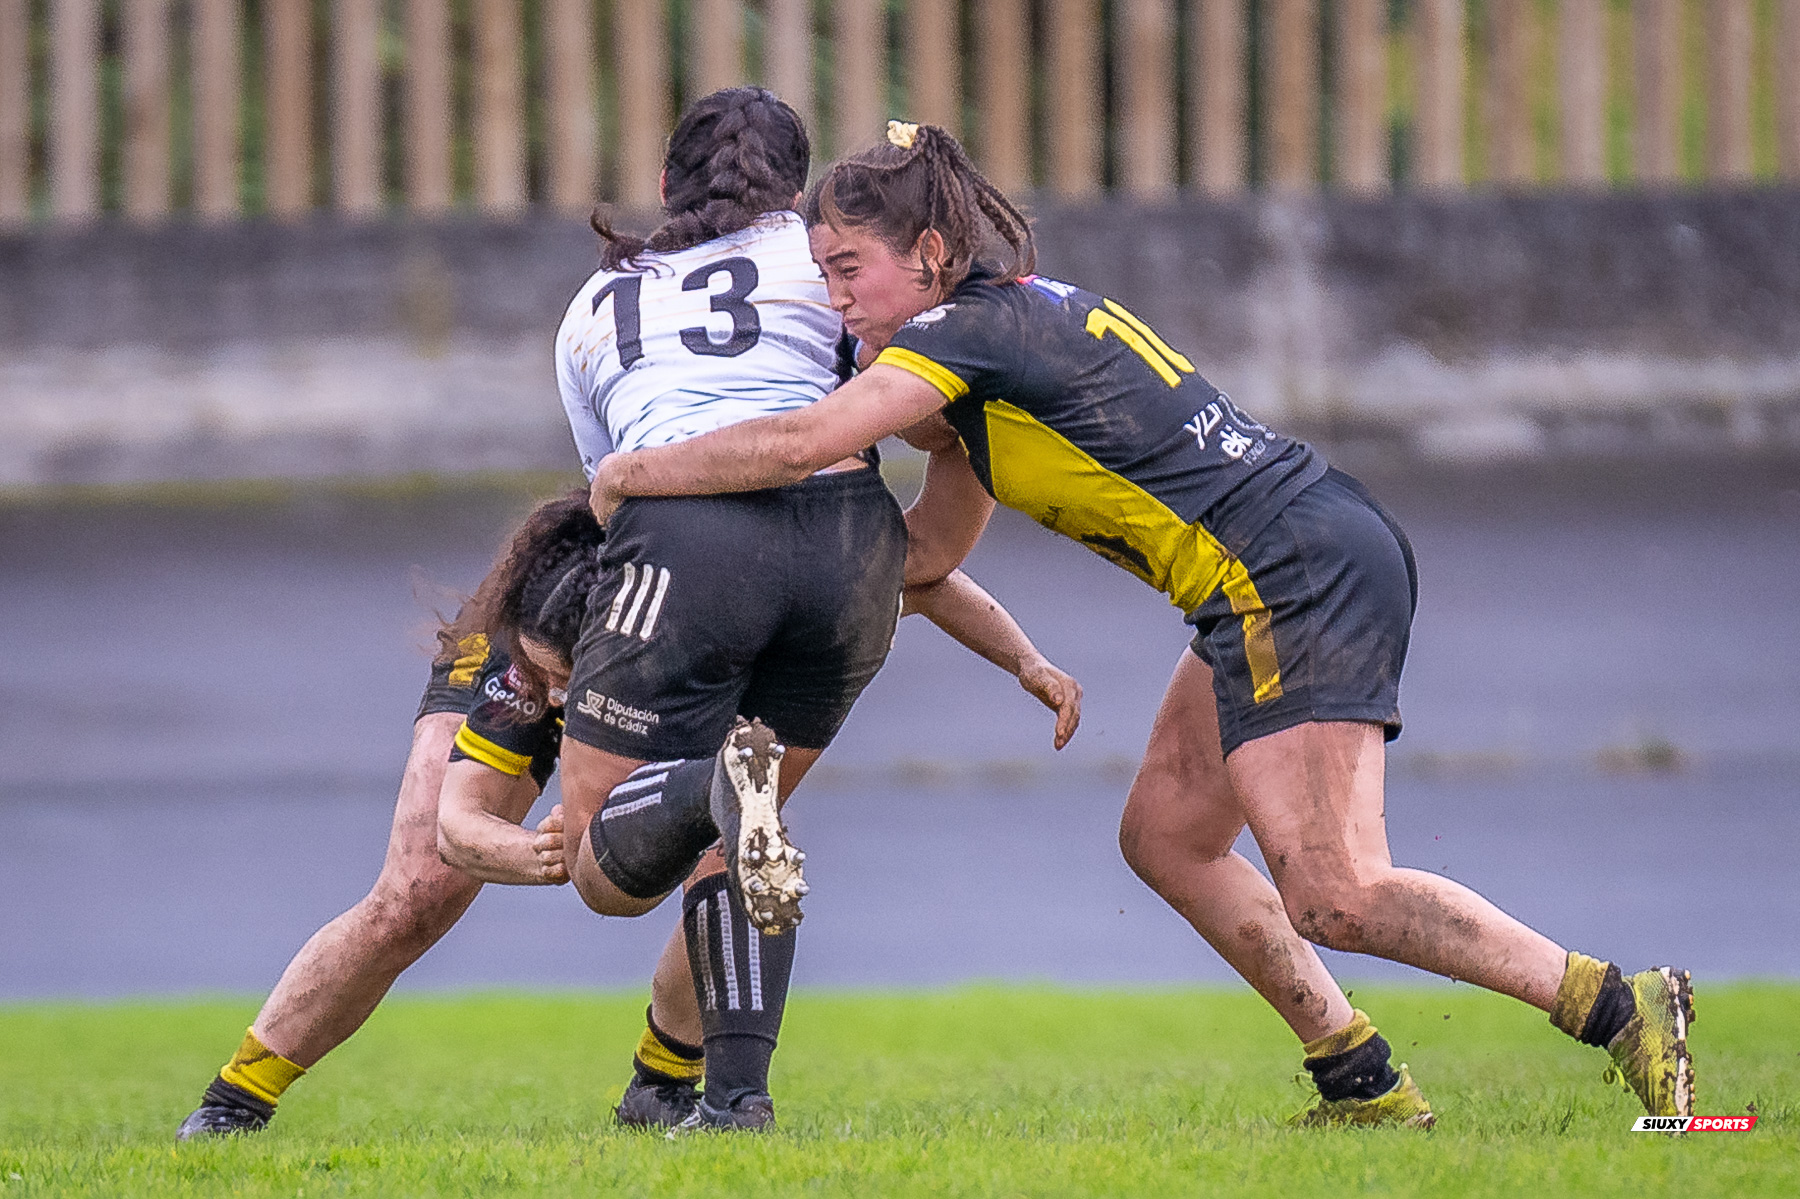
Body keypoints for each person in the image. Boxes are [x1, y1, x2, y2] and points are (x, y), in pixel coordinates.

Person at [585, 120, 1697, 1125]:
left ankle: (1616, 1003)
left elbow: (802, 439)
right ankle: (1359, 1077)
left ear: (927, 252)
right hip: (1286, 556)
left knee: (1336, 889)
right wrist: (974, 635)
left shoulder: (967, 335)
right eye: (822, 271)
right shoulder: (991, 344)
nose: (830, 296)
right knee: (1167, 837)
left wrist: (637, 473)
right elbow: (922, 552)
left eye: (846, 269)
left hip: (1289, 572)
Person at [176, 484, 1079, 1139]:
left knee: (734, 833)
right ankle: (236, 1096)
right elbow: (460, 823)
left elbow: (912, 575)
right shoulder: (526, 673)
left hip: (652, 672)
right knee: (417, 892)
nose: (564, 705)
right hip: (516, 661)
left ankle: (664, 1083)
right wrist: (531, 851)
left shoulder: (689, 617)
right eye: (553, 686)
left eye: (576, 688)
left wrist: (1029, 662)